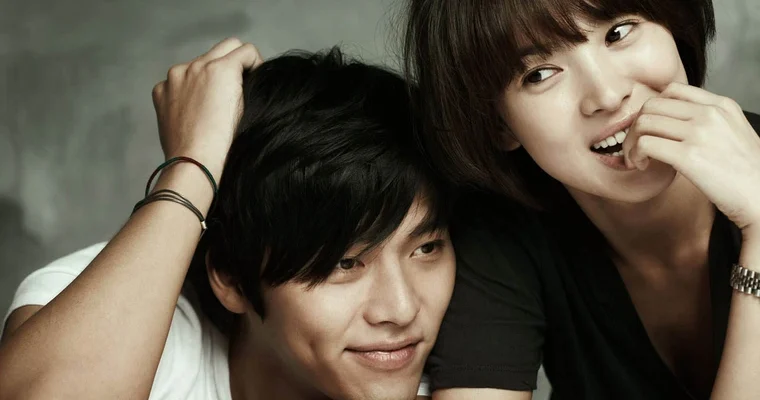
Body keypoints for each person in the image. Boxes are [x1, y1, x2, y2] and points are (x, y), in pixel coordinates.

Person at [0, 39, 456, 400]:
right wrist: (192, 163)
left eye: (426, 248)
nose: (402, 310)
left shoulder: (472, 329)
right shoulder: (115, 310)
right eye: (345, 262)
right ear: (231, 276)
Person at [403, 0, 760, 399]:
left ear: (675, 27)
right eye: (539, 74)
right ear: (499, 125)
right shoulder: (502, 234)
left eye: (619, 33)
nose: (607, 95)